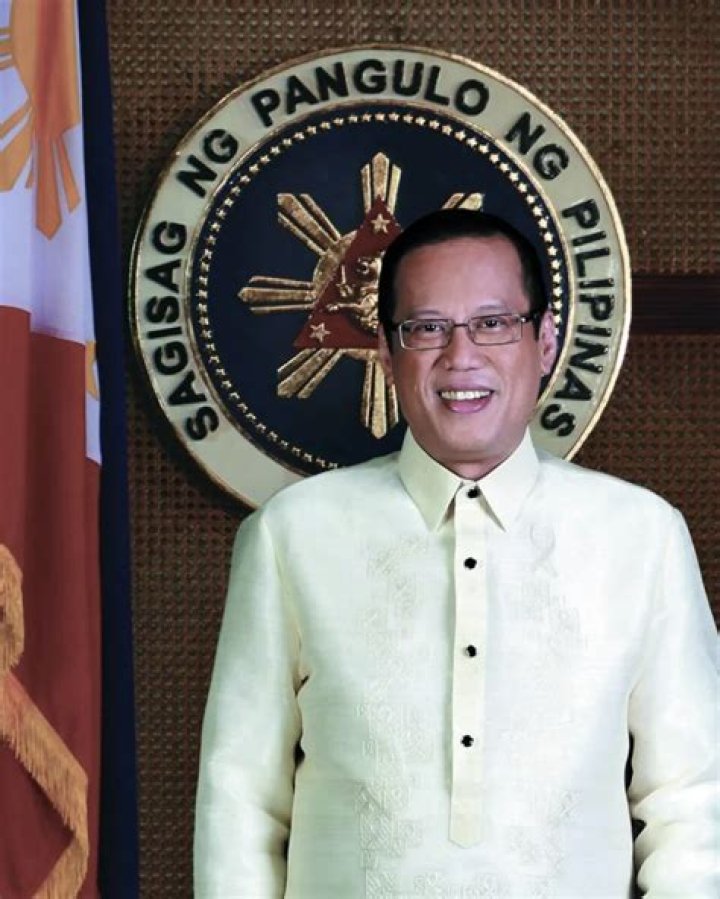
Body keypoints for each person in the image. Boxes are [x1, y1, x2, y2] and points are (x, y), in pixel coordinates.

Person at [194, 209, 719, 897]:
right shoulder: (292, 534)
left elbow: (693, 804)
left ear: (545, 342)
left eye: (493, 323)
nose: (461, 356)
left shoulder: (641, 536)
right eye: (427, 328)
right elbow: (239, 802)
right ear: (387, 353)